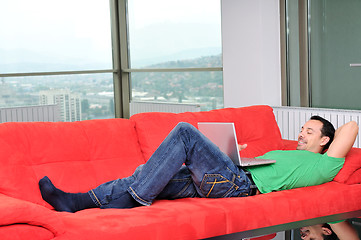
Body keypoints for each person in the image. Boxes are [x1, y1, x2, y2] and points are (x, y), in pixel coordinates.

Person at [39, 116, 359, 213]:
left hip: (238, 185)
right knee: (146, 175)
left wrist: (326, 137)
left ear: (326, 142)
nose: (302, 133)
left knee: (185, 133)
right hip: (232, 175)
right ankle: (75, 201)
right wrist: (230, 153)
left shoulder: (324, 165)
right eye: (302, 127)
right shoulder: (287, 151)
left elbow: (351, 128)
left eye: (310, 131)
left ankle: (134, 200)